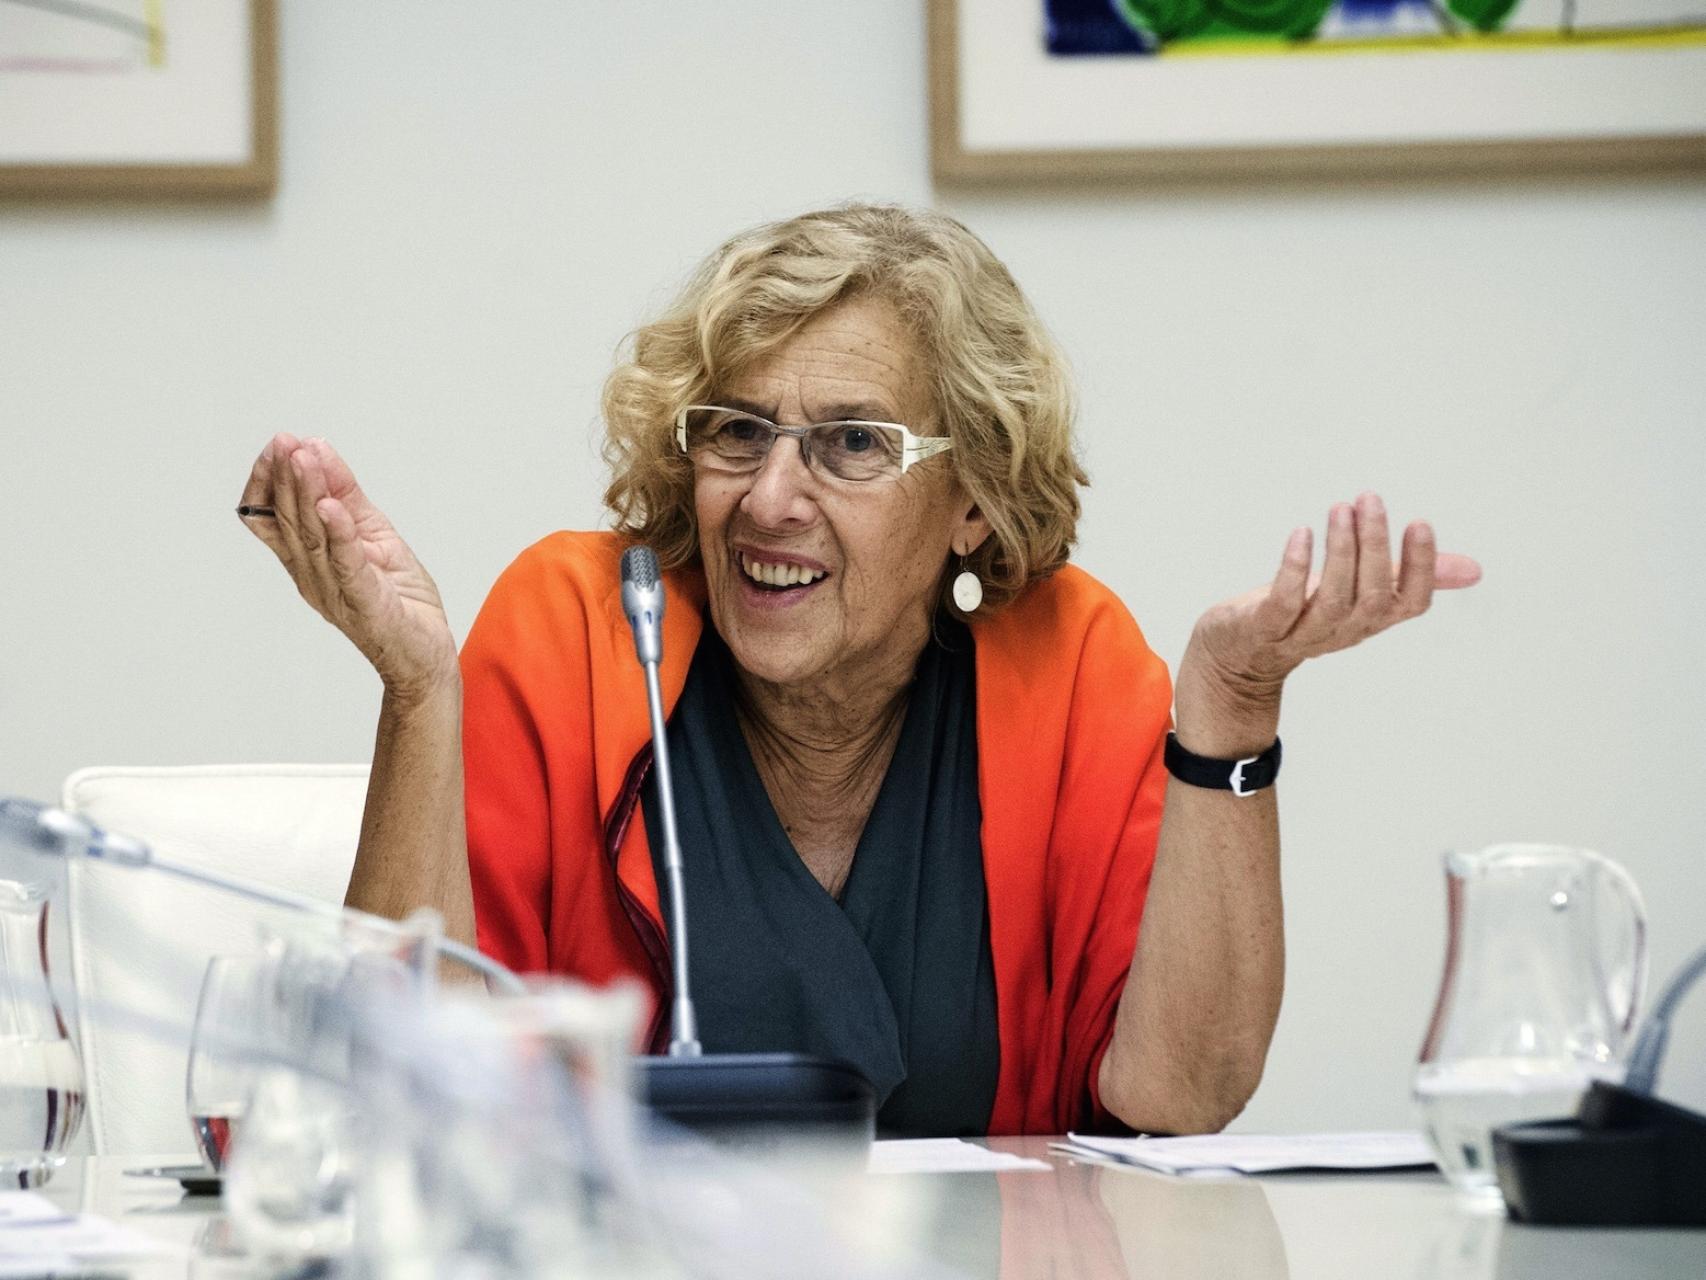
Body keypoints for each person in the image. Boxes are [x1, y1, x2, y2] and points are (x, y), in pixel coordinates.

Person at [237, 203, 1480, 1137]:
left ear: (972, 500)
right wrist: (417, 690)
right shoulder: (583, 625)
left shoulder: (1069, 664)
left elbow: (1180, 1092)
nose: (769, 497)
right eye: (737, 431)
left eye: (850, 444)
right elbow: (395, 1091)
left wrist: (1229, 711)